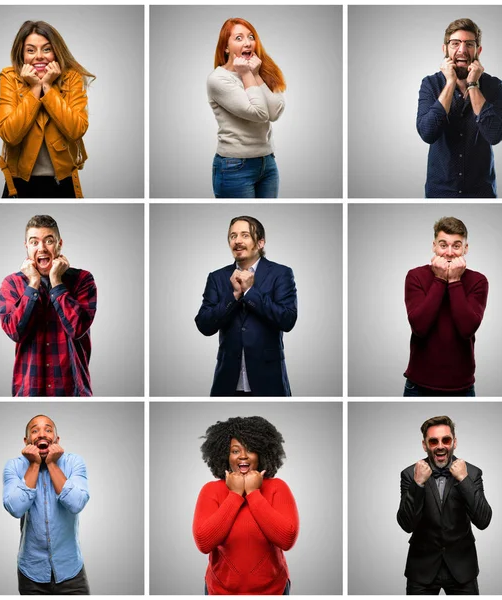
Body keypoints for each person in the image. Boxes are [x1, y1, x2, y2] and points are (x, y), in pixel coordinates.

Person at [193, 416, 299, 595]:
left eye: (250, 450)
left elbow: (286, 540)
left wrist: (253, 493)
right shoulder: (211, 490)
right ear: (225, 456)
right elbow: (204, 543)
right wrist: (234, 495)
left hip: (273, 590)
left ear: (262, 454)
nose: (242, 456)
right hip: (221, 591)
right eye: (235, 451)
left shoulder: (277, 487)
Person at [195, 216, 297, 396]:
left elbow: (287, 320)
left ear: (260, 243)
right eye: (233, 236)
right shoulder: (217, 277)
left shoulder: (281, 274)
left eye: (245, 235)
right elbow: (204, 324)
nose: (238, 241)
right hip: (227, 381)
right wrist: (233, 296)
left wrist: (250, 292)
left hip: (269, 380)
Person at [0, 215, 97, 396]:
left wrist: (56, 281)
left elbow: (77, 328)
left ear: (60, 244)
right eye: (34, 242)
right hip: (28, 391)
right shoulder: (11, 284)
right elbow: (14, 331)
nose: (42, 248)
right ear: (26, 246)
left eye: (49, 241)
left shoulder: (83, 280)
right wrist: (33, 284)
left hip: (73, 391)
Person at [0, 20, 95, 198]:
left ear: (56, 51)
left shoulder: (71, 78)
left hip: (63, 181)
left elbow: (76, 130)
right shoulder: (10, 77)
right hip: (18, 182)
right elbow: (9, 135)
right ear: (22, 54)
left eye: (47, 49)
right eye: (31, 50)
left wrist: (48, 88)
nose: (39, 56)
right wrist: (35, 88)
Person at [397, 415, 492, 594]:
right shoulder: (410, 474)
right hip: (422, 568)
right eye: (433, 441)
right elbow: (406, 524)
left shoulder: (471, 473)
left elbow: (483, 520)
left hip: (462, 568)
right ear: (425, 445)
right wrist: (418, 484)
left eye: (445, 440)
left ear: (454, 442)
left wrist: (464, 480)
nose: (440, 446)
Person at [416, 18, 502, 198]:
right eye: (455, 43)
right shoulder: (430, 84)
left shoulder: (494, 86)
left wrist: (473, 85)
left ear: (478, 50)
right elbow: (427, 133)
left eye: (469, 44)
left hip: (481, 192)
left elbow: (495, 135)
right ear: (445, 49)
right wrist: (450, 83)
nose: (462, 50)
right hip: (440, 191)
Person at [3, 414, 90, 594]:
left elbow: (76, 504)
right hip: (31, 574)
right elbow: (15, 508)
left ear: (57, 440)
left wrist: (51, 464)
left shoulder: (75, 463)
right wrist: (34, 465)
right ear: (26, 441)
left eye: (48, 430)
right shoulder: (13, 467)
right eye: (35, 431)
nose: (42, 434)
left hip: (71, 571)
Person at [403, 217, 488, 396]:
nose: (449, 252)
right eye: (443, 245)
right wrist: (440, 279)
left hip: (462, 386)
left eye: (456, 246)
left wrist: (455, 280)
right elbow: (419, 327)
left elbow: (467, 329)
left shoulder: (478, 281)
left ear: (466, 249)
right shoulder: (415, 276)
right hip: (418, 385)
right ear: (434, 246)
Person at [207, 18, 286, 198]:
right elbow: (259, 114)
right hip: (235, 166)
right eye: (239, 38)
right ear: (225, 48)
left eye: (251, 37)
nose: (248, 42)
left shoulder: (260, 70)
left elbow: (274, 114)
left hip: (268, 162)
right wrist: (247, 74)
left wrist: (256, 74)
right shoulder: (218, 79)